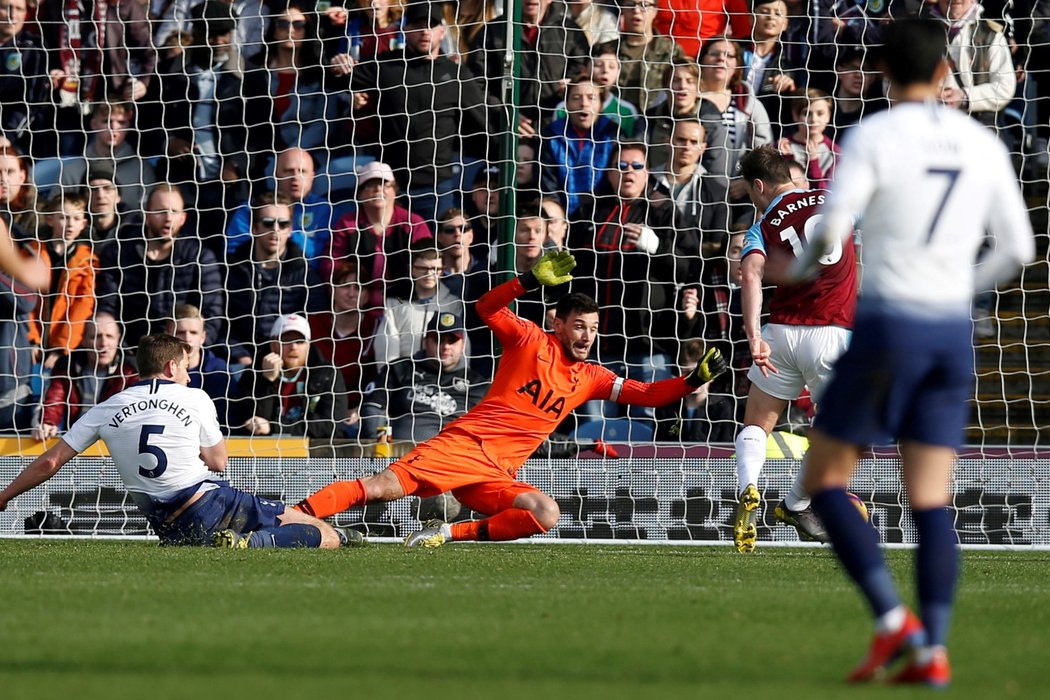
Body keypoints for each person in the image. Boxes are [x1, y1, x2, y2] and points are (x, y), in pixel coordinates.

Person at [792, 20, 1034, 686]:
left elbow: (832, 231)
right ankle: (933, 650)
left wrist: (797, 268)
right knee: (931, 500)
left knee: (822, 480)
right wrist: (957, 287)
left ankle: (892, 619)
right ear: (945, 72)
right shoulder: (979, 142)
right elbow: (1019, 249)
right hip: (948, 332)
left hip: (888, 325)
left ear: (882, 71)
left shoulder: (872, 135)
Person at [294, 250, 729, 545]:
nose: (587, 336)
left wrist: (690, 383)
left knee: (546, 512)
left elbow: (649, 394)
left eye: (593, 329)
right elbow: (485, 308)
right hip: (464, 445)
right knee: (381, 489)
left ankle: (446, 534)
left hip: (498, 472)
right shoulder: (530, 340)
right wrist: (525, 280)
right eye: (579, 326)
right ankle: (294, 516)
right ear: (559, 324)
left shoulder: (591, 377)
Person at [2, 333, 359, 549]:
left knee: (208, 534)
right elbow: (219, 463)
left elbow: (50, 462)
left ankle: (243, 540)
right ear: (172, 367)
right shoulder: (196, 398)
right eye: (186, 367)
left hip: (167, 524)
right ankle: (266, 542)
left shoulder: (107, 406)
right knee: (319, 531)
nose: (189, 375)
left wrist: (3, 497)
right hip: (209, 502)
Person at [730, 145, 858, 554]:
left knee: (756, 423)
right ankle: (796, 504)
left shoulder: (763, 223)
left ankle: (749, 486)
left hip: (780, 333)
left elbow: (750, 274)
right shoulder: (834, 197)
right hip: (832, 335)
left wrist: (754, 336)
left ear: (759, 185)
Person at [95, 184, 225, 347]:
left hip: (182, 353)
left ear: (183, 218)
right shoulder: (118, 253)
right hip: (130, 354)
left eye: (174, 212)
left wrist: (189, 354)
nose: (168, 218)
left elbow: (212, 314)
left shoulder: (199, 257)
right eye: (161, 211)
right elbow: (108, 306)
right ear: (147, 215)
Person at [361, 311, 490, 442]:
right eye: (438, 340)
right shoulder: (400, 368)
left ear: (462, 345)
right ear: (425, 342)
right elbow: (373, 407)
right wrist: (382, 450)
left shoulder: (478, 385)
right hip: (400, 454)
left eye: (452, 341)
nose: (445, 347)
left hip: (451, 457)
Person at [225, 192, 315, 364]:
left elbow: (316, 322)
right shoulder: (232, 268)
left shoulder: (304, 272)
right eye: (268, 223)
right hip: (239, 359)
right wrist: (240, 355)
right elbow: (221, 322)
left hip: (288, 358)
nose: (275, 229)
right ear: (254, 228)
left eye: (283, 224)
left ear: (290, 230)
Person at [233, 313, 348, 439]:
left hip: (316, 453)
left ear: (308, 346)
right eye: (286, 341)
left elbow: (330, 424)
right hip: (265, 453)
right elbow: (253, 424)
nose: (293, 347)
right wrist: (267, 381)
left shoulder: (327, 373)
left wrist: (275, 427)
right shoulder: (253, 374)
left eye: (300, 341)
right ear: (273, 345)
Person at [32, 312, 138, 442]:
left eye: (109, 336)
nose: (103, 343)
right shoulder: (67, 367)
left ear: (118, 339)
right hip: (76, 443)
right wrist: (47, 422)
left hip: (116, 443)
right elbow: (55, 398)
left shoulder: (130, 372)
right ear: (84, 340)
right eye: (96, 337)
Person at [225, 148, 335, 267]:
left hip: (303, 279)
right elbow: (233, 254)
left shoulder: (324, 209)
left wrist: (284, 233)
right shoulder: (250, 209)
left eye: (302, 171)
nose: (295, 177)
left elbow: (322, 258)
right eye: (288, 171)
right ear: (276, 175)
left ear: (313, 176)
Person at [308, 261, 379, 435]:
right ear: (332, 290)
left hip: (357, 412)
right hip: (316, 410)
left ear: (368, 295)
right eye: (345, 286)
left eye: (358, 287)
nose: (351, 293)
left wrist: (360, 408)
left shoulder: (376, 328)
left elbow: (378, 378)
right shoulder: (312, 324)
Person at [540, 76, 620, 218]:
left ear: (601, 105)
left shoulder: (613, 135)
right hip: (560, 220)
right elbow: (547, 184)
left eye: (591, 98)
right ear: (567, 104)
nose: (584, 104)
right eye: (576, 98)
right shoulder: (551, 135)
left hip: (603, 219)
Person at [38, 190, 99, 371]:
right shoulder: (34, 251)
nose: (70, 224)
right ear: (50, 220)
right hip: (31, 341)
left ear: (83, 223)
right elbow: (28, 300)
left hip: (68, 346)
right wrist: (31, 339)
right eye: (63, 217)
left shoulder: (87, 261)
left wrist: (61, 346)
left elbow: (83, 305)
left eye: (76, 218)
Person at [373, 246, 465, 364]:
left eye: (435, 269)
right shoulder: (396, 301)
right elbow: (387, 344)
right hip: (404, 375)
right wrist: (391, 377)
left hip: (441, 377)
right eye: (422, 268)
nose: (429, 274)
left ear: (442, 270)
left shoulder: (453, 303)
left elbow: (461, 344)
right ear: (412, 269)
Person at [164, 304, 237, 432]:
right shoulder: (157, 370)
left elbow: (227, 419)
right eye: (180, 332)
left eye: (193, 333)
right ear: (167, 335)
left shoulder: (218, 370)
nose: (187, 339)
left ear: (203, 337)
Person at [654, 339, 735, 442]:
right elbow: (659, 450)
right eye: (687, 372)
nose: (694, 378)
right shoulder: (666, 407)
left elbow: (728, 450)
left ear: (713, 375)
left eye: (700, 372)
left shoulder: (723, 407)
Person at [777, 89, 839, 190]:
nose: (814, 119)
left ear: (829, 116)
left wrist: (813, 160)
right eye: (806, 113)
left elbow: (824, 192)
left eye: (820, 113)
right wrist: (788, 158)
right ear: (795, 115)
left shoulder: (834, 152)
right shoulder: (783, 146)